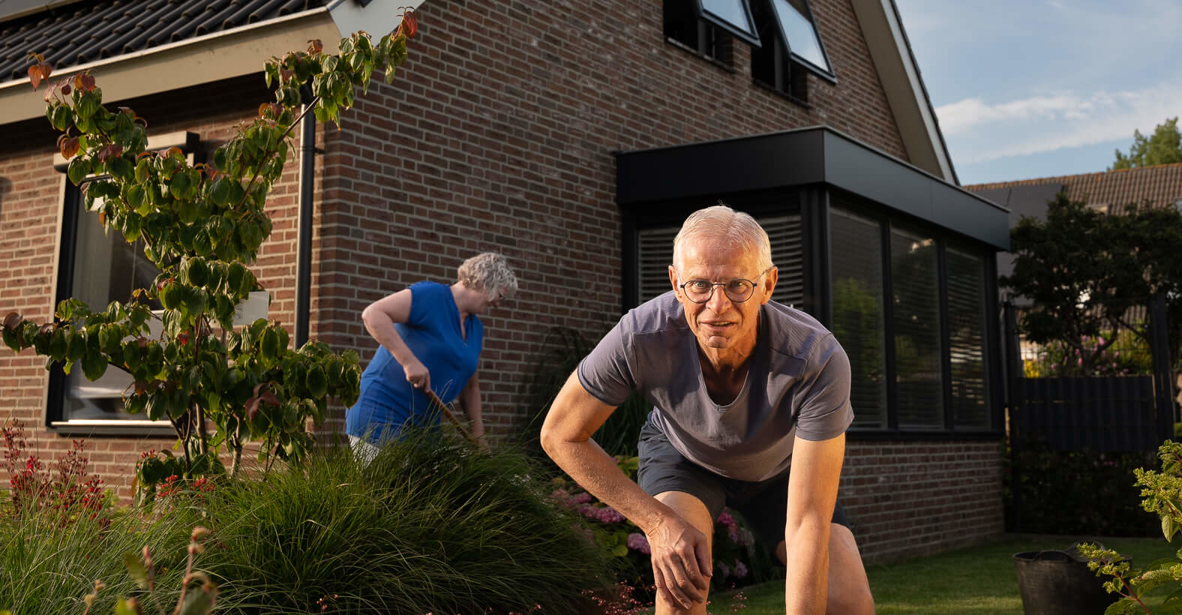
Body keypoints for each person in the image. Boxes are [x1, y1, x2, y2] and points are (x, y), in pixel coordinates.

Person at [541, 206, 874, 615]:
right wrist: (658, 523)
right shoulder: (640, 336)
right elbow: (560, 434)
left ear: (768, 285)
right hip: (685, 458)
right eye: (699, 284)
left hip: (781, 469)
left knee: (847, 601)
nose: (717, 305)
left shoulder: (816, 358)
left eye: (737, 285)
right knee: (680, 590)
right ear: (676, 284)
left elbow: (807, 522)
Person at [345, 252, 517, 456]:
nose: (497, 304)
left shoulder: (475, 328)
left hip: (424, 428)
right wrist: (409, 361)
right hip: (381, 413)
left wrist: (478, 435)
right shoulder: (431, 296)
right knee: (396, 478)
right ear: (485, 282)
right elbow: (373, 314)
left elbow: (471, 387)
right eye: (500, 296)